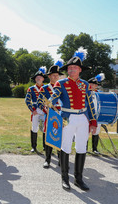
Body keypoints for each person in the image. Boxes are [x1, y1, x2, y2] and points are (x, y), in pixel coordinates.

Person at [47, 47, 97, 191]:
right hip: (67, 118)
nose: (72, 70)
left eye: (75, 68)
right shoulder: (61, 83)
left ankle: (78, 179)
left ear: (80, 70)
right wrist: (50, 101)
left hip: (82, 118)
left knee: (81, 148)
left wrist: (93, 121)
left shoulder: (85, 84)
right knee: (65, 147)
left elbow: (90, 105)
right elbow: (54, 96)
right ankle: (65, 179)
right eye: (69, 68)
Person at [37, 60, 63, 168]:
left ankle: (61, 160)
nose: (55, 77)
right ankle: (47, 160)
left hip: (61, 114)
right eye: (53, 75)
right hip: (50, 114)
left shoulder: (62, 87)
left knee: (60, 137)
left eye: (57, 75)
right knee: (49, 137)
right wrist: (45, 109)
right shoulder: (44, 88)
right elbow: (39, 102)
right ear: (49, 76)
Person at [25, 66, 47, 152]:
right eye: (37, 78)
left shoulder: (46, 88)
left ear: (43, 79)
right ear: (35, 79)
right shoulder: (31, 89)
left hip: (45, 110)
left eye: (40, 77)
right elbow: (27, 100)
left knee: (45, 128)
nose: (38, 79)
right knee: (34, 128)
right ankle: (34, 146)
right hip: (35, 110)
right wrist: (32, 109)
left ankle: (46, 146)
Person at [88, 73, 105, 154]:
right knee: (86, 132)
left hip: (97, 115)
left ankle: (94, 149)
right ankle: (84, 148)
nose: (92, 85)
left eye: (94, 84)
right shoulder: (85, 92)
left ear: (96, 85)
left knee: (96, 132)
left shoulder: (100, 93)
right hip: (87, 115)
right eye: (91, 84)